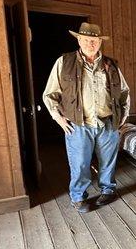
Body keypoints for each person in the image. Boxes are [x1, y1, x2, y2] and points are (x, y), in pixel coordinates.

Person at [43, 22, 130, 213]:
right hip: (78, 124)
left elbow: (124, 92)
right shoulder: (64, 62)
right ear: (79, 40)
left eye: (95, 40)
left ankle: (108, 190)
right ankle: (78, 197)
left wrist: (123, 117)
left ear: (100, 42)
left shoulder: (111, 65)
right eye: (87, 40)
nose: (91, 44)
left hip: (108, 123)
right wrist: (58, 118)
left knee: (108, 161)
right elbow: (50, 95)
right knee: (80, 163)